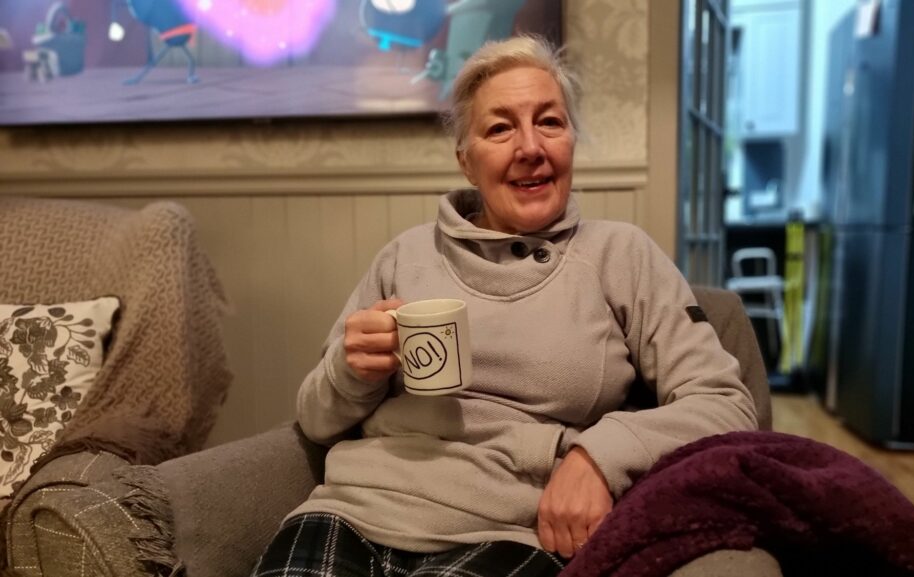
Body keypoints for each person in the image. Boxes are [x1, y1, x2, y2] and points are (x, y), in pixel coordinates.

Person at [251, 35, 758, 577]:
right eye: (499, 128)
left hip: (509, 530)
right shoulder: (406, 255)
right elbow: (316, 418)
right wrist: (350, 371)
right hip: (351, 511)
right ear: (466, 162)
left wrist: (599, 456)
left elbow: (725, 403)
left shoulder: (620, 254)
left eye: (550, 122)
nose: (530, 148)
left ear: (571, 142)